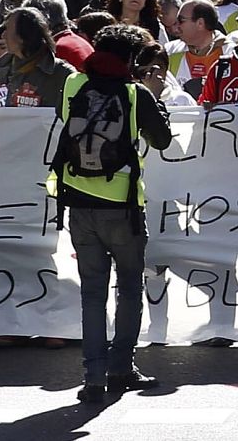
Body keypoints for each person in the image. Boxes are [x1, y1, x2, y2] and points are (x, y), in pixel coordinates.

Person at [47, 24, 172, 402]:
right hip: (124, 207)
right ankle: (122, 368)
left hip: (79, 205)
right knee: (130, 288)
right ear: (131, 60)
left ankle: (93, 378)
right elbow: (162, 139)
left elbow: (63, 116)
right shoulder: (136, 95)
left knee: (92, 294)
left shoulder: (73, 85)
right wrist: (156, 96)